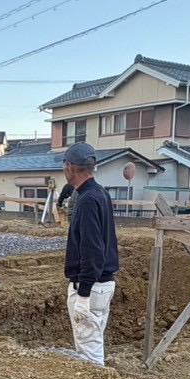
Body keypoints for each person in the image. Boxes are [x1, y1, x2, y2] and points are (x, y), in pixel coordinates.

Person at [61, 142, 119, 364]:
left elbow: (92, 249)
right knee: (94, 340)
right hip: (104, 285)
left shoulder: (86, 201)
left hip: (91, 288)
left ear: (70, 167)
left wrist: (83, 294)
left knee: (89, 353)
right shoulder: (100, 193)